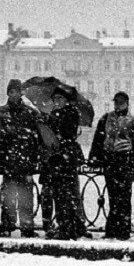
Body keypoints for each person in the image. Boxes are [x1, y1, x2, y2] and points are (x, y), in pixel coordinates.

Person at [88, 91, 134, 240]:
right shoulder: (106, 118)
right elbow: (98, 139)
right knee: (113, 196)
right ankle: (114, 230)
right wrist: (94, 157)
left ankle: (122, 230)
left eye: (121, 102)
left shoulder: (133, 121)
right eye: (116, 102)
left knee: (124, 197)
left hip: (124, 161)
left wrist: (133, 165)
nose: (118, 105)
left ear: (127, 103)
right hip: (111, 161)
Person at [0, 79, 41, 238]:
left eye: (18, 91)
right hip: (9, 161)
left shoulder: (30, 113)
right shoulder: (1, 112)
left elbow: (36, 139)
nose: (16, 94)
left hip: (24, 162)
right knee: (8, 195)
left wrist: (33, 158)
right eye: (13, 91)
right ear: (8, 93)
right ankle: (7, 224)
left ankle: (26, 226)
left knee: (26, 196)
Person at [44, 85, 85, 240]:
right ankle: (64, 225)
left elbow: (68, 133)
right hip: (57, 160)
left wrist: (59, 135)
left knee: (69, 195)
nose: (56, 101)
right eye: (55, 99)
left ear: (66, 100)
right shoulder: (54, 114)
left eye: (59, 98)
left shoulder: (72, 113)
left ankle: (72, 226)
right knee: (60, 195)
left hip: (66, 160)